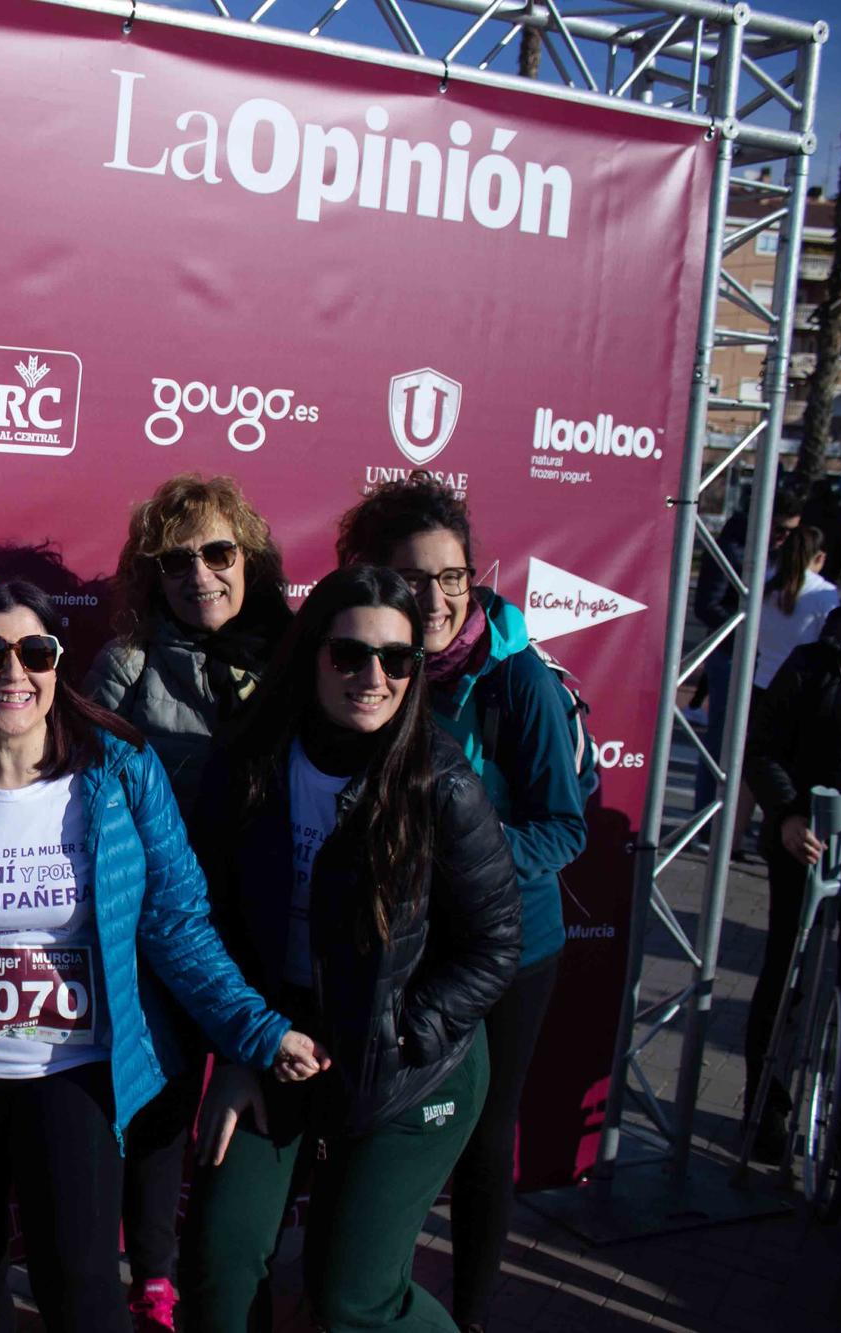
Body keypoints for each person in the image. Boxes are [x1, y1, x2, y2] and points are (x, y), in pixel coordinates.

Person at [0, 580, 329, 1333]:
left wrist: (256, 1028)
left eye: (35, 652)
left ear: (58, 665)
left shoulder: (120, 769)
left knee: (86, 1288)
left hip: (74, 1068)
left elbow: (179, 921)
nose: (14, 673)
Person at [181, 565, 520, 1333]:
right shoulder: (249, 764)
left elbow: (497, 942)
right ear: (313, 655)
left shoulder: (441, 782)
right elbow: (208, 919)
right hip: (278, 1041)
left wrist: (407, 1028)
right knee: (220, 1262)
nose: (373, 677)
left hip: (409, 1059)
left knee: (351, 1301)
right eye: (349, 655)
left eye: (398, 660)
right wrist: (238, 1048)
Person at [333, 477, 586, 1333]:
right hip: (397, 942)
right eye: (414, 579)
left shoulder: (519, 681)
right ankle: (372, 1302)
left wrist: (462, 857)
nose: (437, 599)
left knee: (481, 1140)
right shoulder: (363, 657)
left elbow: (562, 826)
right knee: (379, 1129)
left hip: (509, 944)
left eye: (454, 577)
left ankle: (467, 1317)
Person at [84, 472, 294, 1330]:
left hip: (274, 918)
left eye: (218, 553)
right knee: (166, 1106)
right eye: (177, 561)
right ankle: (156, 1276)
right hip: (164, 929)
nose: (199, 574)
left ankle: (243, 1260)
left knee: (265, 1102)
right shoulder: (125, 665)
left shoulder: (298, 655)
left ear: (249, 557)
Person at [743, 549, 841, 1162]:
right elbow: (764, 748)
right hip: (810, 848)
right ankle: (766, 1108)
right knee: (788, 974)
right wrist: (787, 813)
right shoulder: (815, 666)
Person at [692, 482, 806, 820]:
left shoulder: (779, 551)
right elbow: (707, 604)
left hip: (768, 658)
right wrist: (750, 630)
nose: (783, 539)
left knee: (763, 743)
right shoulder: (732, 544)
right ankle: (707, 818)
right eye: (781, 530)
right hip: (732, 654)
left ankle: (737, 820)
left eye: (791, 533)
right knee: (721, 740)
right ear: (765, 519)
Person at [751, 525, 836, 693]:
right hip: (801, 690)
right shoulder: (823, 592)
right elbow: (832, 642)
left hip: (761, 681)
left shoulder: (763, 584)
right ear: (820, 557)